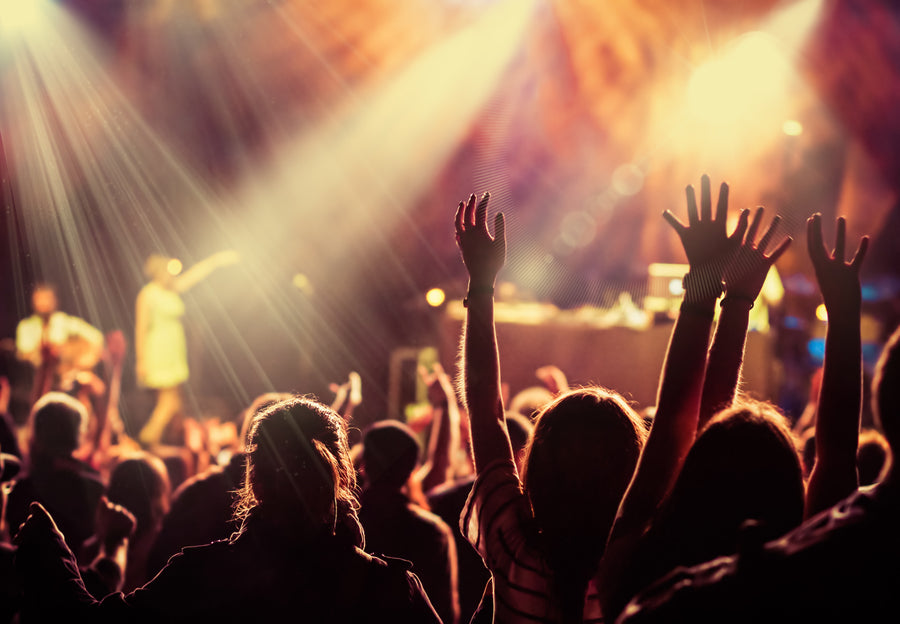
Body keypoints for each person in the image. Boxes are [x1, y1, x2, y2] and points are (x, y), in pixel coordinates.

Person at [14, 395, 441, 623]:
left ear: (253, 480)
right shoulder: (392, 588)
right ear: (344, 476)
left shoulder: (200, 575)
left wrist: (52, 553)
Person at [455, 191, 649, 622]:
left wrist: (481, 283)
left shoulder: (512, 549)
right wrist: (719, 297)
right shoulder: (636, 569)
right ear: (634, 470)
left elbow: (485, 413)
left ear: (538, 465)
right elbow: (680, 427)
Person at [358, 420, 460, 624]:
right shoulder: (433, 532)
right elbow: (446, 612)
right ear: (411, 468)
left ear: (364, 462)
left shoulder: (344, 523)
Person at [135, 250, 238, 447]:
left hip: (174, 349)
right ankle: (148, 438)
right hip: (158, 349)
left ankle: (163, 441)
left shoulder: (171, 289)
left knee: (175, 402)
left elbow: (194, 276)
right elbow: (141, 328)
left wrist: (215, 260)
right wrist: (141, 360)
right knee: (169, 402)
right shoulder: (147, 294)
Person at [16, 283, 105, 403]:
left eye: (47, 298)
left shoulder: (64, 322)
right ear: (33, 301)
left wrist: (75, 363)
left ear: (55, 301)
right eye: (40, 299)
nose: (43, 303)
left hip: (67, 384)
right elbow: (24, 354)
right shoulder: (26, 327)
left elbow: (96, 338)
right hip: (36, 384)